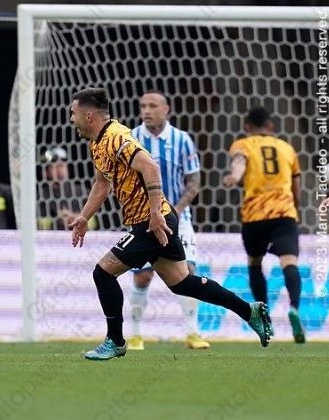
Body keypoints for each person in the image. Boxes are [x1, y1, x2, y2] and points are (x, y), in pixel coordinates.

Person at [67, 88, 271, 360]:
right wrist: (84, 216)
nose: (71, 119)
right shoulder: (98, 143)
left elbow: (151, 168)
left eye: (73, 113)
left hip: (151, 222)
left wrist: (154, 213)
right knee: (182, 283)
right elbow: (102, 184)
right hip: (158, 218)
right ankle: (249, 311)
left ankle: (115, 341)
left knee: (103, 273)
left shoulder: (117, 138)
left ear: (89, 116)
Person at [128, 90, 208, 350]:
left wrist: (175, 210)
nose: (146, 111)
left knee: (188, 272)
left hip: (178, 218)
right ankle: (136, 335)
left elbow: (193, 182)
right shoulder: (131, 138)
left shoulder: (182, 140)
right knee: (143, 276)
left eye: (152, 106)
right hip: (142, 217)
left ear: (166, 110)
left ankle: (192, 333)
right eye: (143, 106)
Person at [223, 106, 305, 343]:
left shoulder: (242, 144)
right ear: (271, 126)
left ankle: (264, 317)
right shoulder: (287, 148)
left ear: (247, 126)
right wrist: (294, 210)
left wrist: (235, 176)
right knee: (289, 262)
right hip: (284, 214)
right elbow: (296, 187)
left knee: (255, 263)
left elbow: (239, 162)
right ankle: (294, 308)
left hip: (255, 217)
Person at [37, 147, 96, 230]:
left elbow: (94, 223)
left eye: (62, 165)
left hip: (79, 236)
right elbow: (37, 223)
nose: (59, 169)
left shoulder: (81, 191)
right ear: (46, 172)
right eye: (54, 166)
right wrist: (57, 221)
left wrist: (75, 218)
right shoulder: (40, 195)